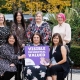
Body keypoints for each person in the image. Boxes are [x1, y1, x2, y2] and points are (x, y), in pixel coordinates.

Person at [11, 11, 27, 80]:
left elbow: (26, 35)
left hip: (23, 47)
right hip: (16, 47)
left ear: (22, 16)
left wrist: (24, 43)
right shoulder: (13, 24)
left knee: (22, 63)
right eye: (17, 15)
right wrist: (20, 44)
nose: (18, 17)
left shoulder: (24, 24)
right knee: (17, 62)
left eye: (20, 15)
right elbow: (14, 36)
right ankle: (17, 77)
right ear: (15, 17)